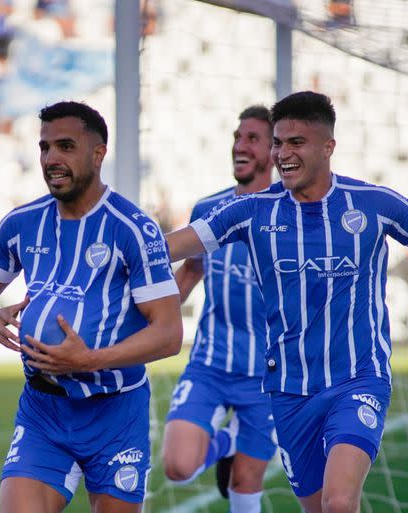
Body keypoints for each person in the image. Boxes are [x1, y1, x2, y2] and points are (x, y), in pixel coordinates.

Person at [164, 91, 408, 513]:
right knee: (317, 507)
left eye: (296, 143)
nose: (283, 153)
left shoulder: (375, 204)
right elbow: (171, 248)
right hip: (288, 391)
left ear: (328, 147)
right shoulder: (250, 211)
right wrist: (111, 250)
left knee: (340, 502)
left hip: (357, 379)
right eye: (278, 142)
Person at [0, 101, 183, 513]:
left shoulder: (133, 229)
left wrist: (89, 359)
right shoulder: (20, 223)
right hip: (43, 409)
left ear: (98, 154)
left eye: (65, 146)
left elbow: (169, 334)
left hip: (115, 412)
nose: (51, 159)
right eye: (45, 147)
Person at [161, 105, 277, 513]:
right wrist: (149, 321)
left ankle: (241, 437)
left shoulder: (293, 214)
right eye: (237, 137)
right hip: (210, 365)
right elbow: (190, 272)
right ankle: (230, 438)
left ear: (275, 152)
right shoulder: (207, 209)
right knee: (178, 467)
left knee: (244, 486)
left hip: (269, 377)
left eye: (252, 139)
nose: (240, 146)